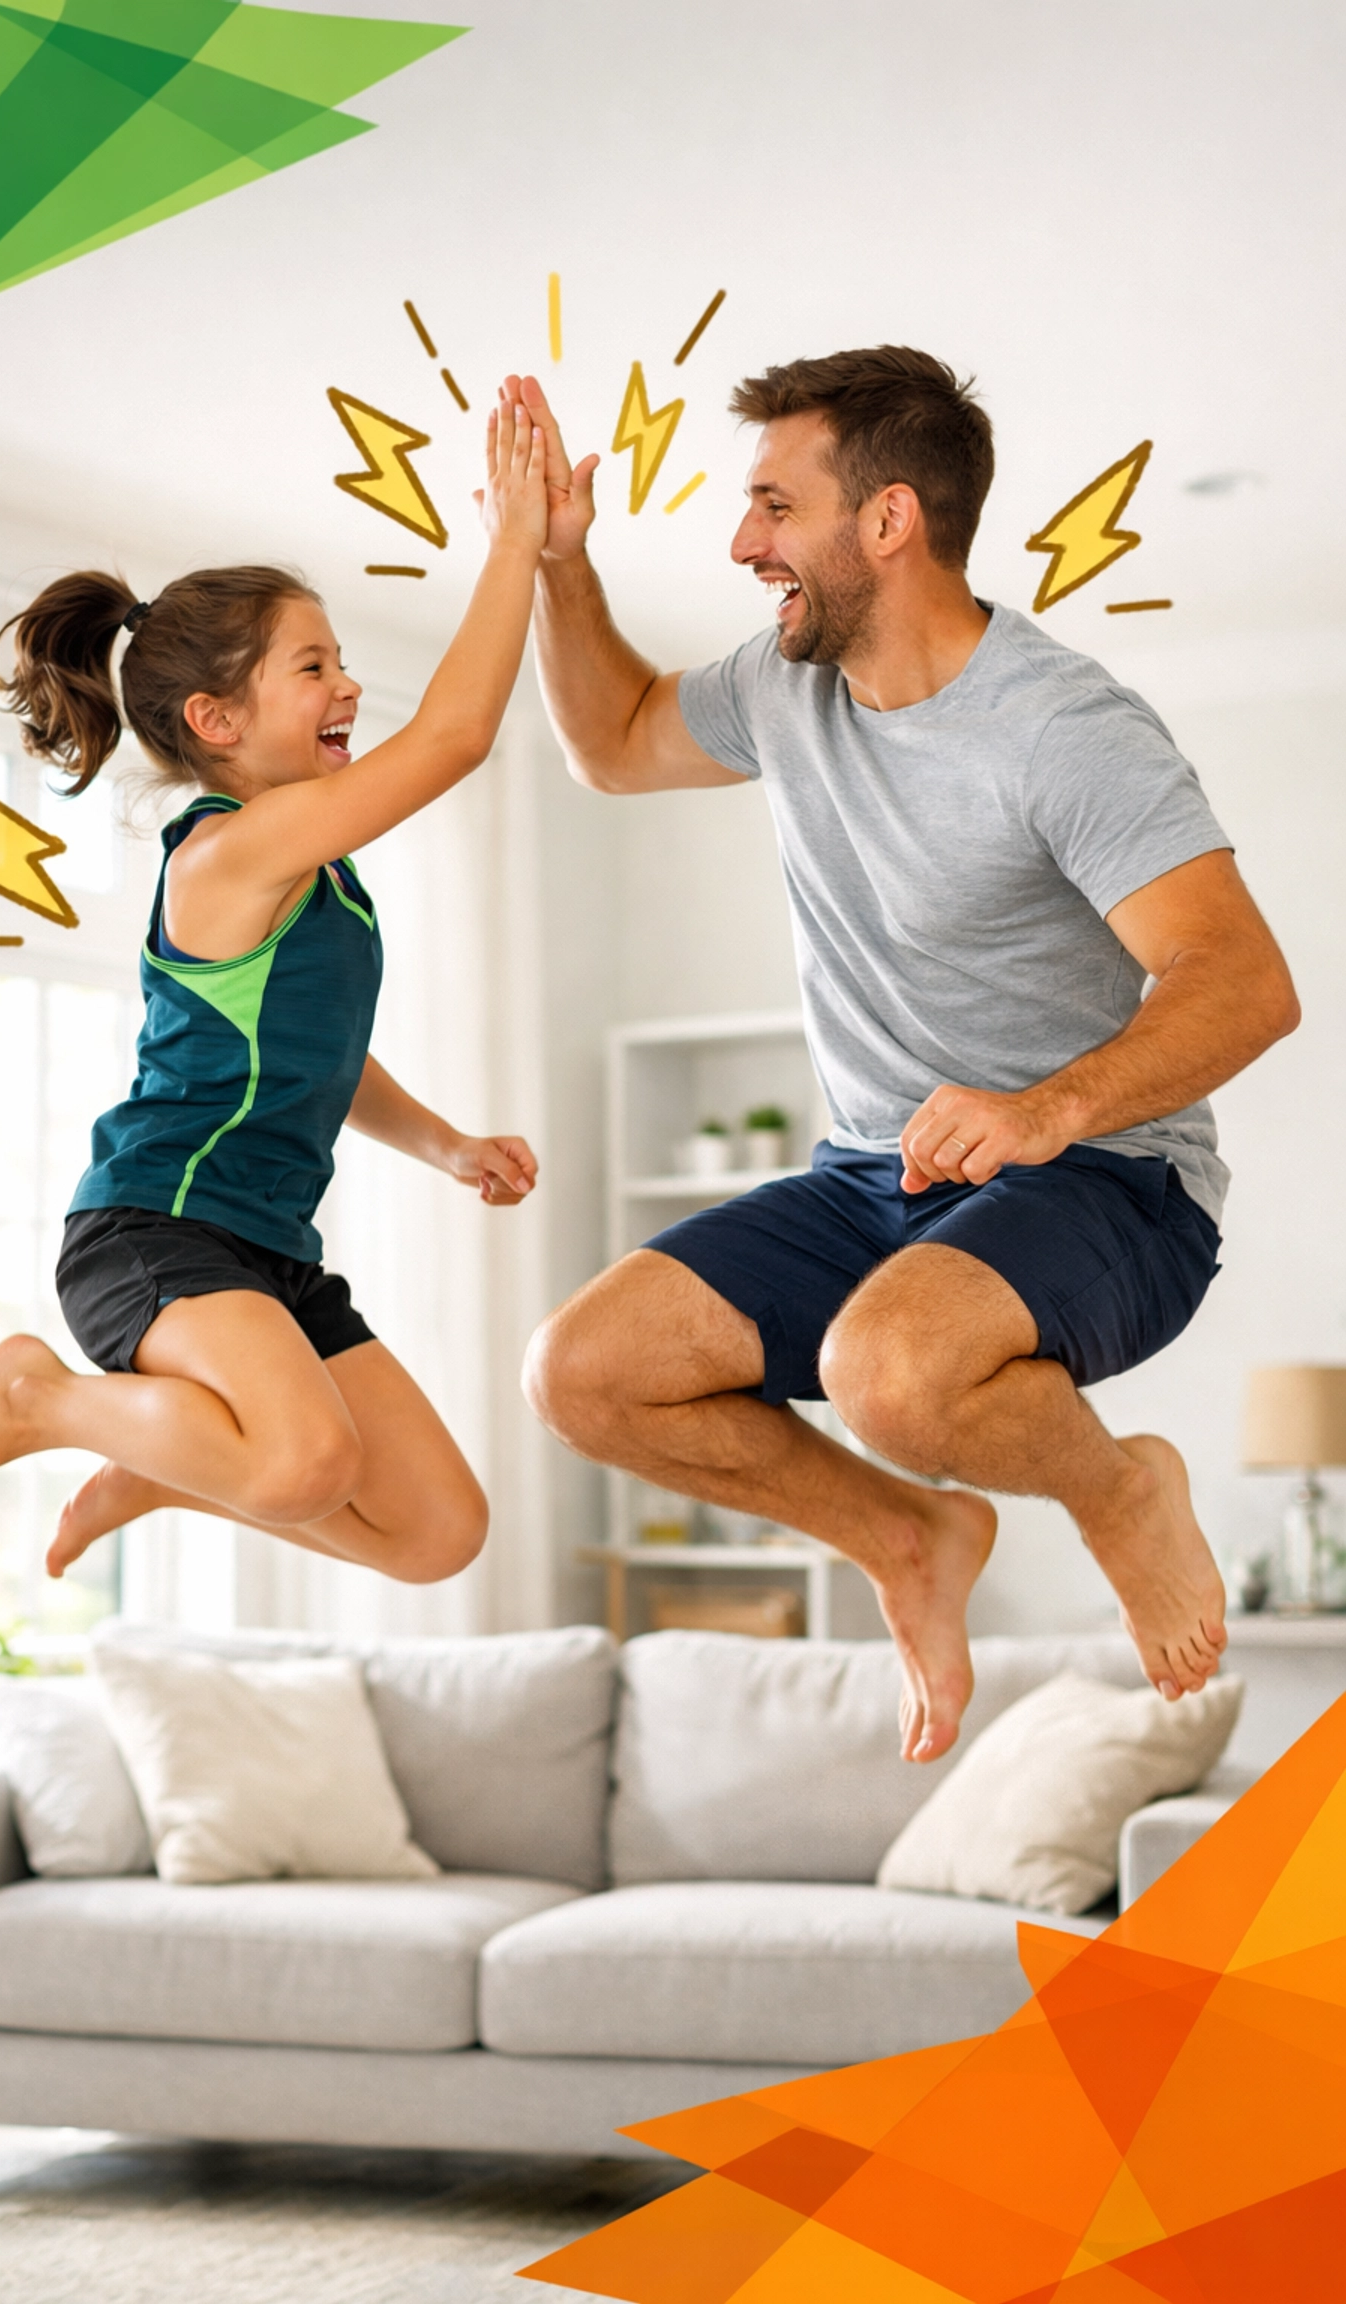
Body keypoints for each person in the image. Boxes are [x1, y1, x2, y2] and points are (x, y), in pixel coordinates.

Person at [513, 348, 1300, 1762]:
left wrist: (1042, 1111)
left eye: (772, 505)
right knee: (584, 1371)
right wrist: (563, 568)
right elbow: (616, 743)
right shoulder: (783, 686)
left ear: (888, 521)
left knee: (888, 1373)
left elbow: (1244, 983)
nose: (744, 542)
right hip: (879, 1177)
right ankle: (911, 1538)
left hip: (1113, 1183)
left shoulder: (1066, 728)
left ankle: (1121, 1493)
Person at [0, 398, 549, 1588]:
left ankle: (170, 1462)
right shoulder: (228, 852)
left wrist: (444, 1145)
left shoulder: (318, 874)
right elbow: (455, 738)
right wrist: (515, 545)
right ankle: (37, 1397)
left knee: (439, 1533)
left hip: (265, 1252)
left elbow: (318, 1057)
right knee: (303, 1463)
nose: (348, 684)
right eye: (315, 666)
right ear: (217, 720)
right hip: (155, 1230)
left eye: (342, 660)